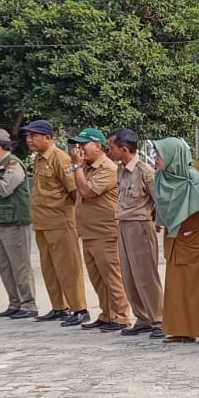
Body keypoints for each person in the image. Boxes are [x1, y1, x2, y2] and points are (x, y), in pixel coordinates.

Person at [153, 138, 199, 346]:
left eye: (159, 155)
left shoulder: (192, 179)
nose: (155, 159)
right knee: (177, 288)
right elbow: (161, 206)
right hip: (175, 240)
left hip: (198, 240)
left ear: (172, 156)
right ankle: (181, 330)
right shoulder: (162, 178)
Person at [24, 119, 87, 324]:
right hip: (43, 222)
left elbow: (74, 192)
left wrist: (73, 220)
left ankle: (79, 308)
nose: (29, 140)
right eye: (28, 136)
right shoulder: (39, 159)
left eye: (34, 136)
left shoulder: (60, 158)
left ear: (48, 138)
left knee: (68, 267)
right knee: (49, 268)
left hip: (60, 222)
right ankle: (59, 307)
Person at [71, 128, 129, 332]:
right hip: (88, 232)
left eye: (83, 145)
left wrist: (77, 166)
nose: (78, 149)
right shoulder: (85, 168)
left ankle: (121, 316)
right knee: (97, 277)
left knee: (112, 277)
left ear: (98, 146)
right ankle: (107, 314)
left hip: (105, 232)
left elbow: (86, 191)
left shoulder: (107, 168)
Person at [0, 128, 37, 319]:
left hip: (15, 223)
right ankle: (15, 302)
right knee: (5, 267)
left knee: (20, 266)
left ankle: (28, 304)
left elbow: (5, 189)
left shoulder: (13, 164)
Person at [109, 128, 162, 338]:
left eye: (112, 147)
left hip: (140, 226)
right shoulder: (121, 170)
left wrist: (156, 221)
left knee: (146, 275)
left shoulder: (144, 171)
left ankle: (159, 319)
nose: (109, 151)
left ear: (124, 148)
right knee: (129, 275)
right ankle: (143, 318)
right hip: (123, 224)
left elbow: (158, 199)